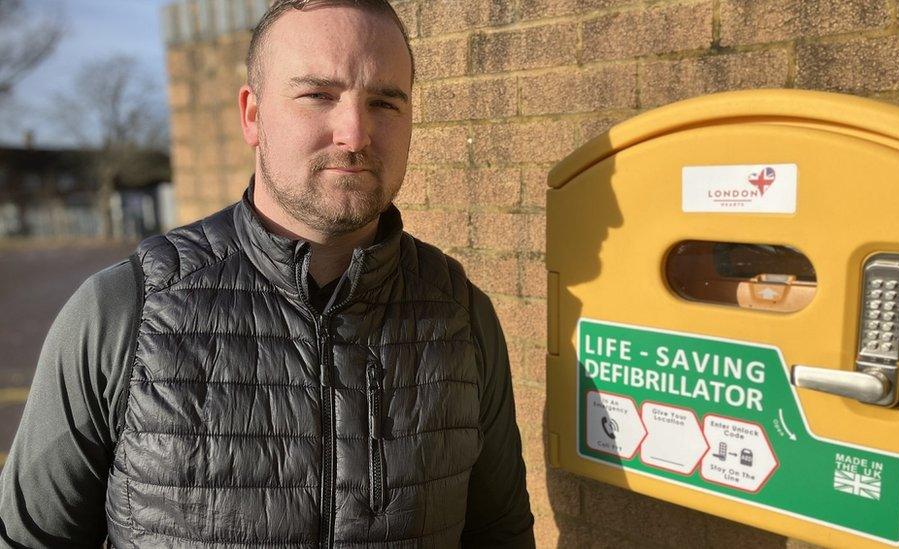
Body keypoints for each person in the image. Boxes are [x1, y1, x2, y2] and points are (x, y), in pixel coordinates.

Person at [0, 0, 535, 546]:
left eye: (385, 102)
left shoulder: (460, 315)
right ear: (253, 115)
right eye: (318, 95)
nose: (355, 133)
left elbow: (501, 533)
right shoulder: (123, 312)